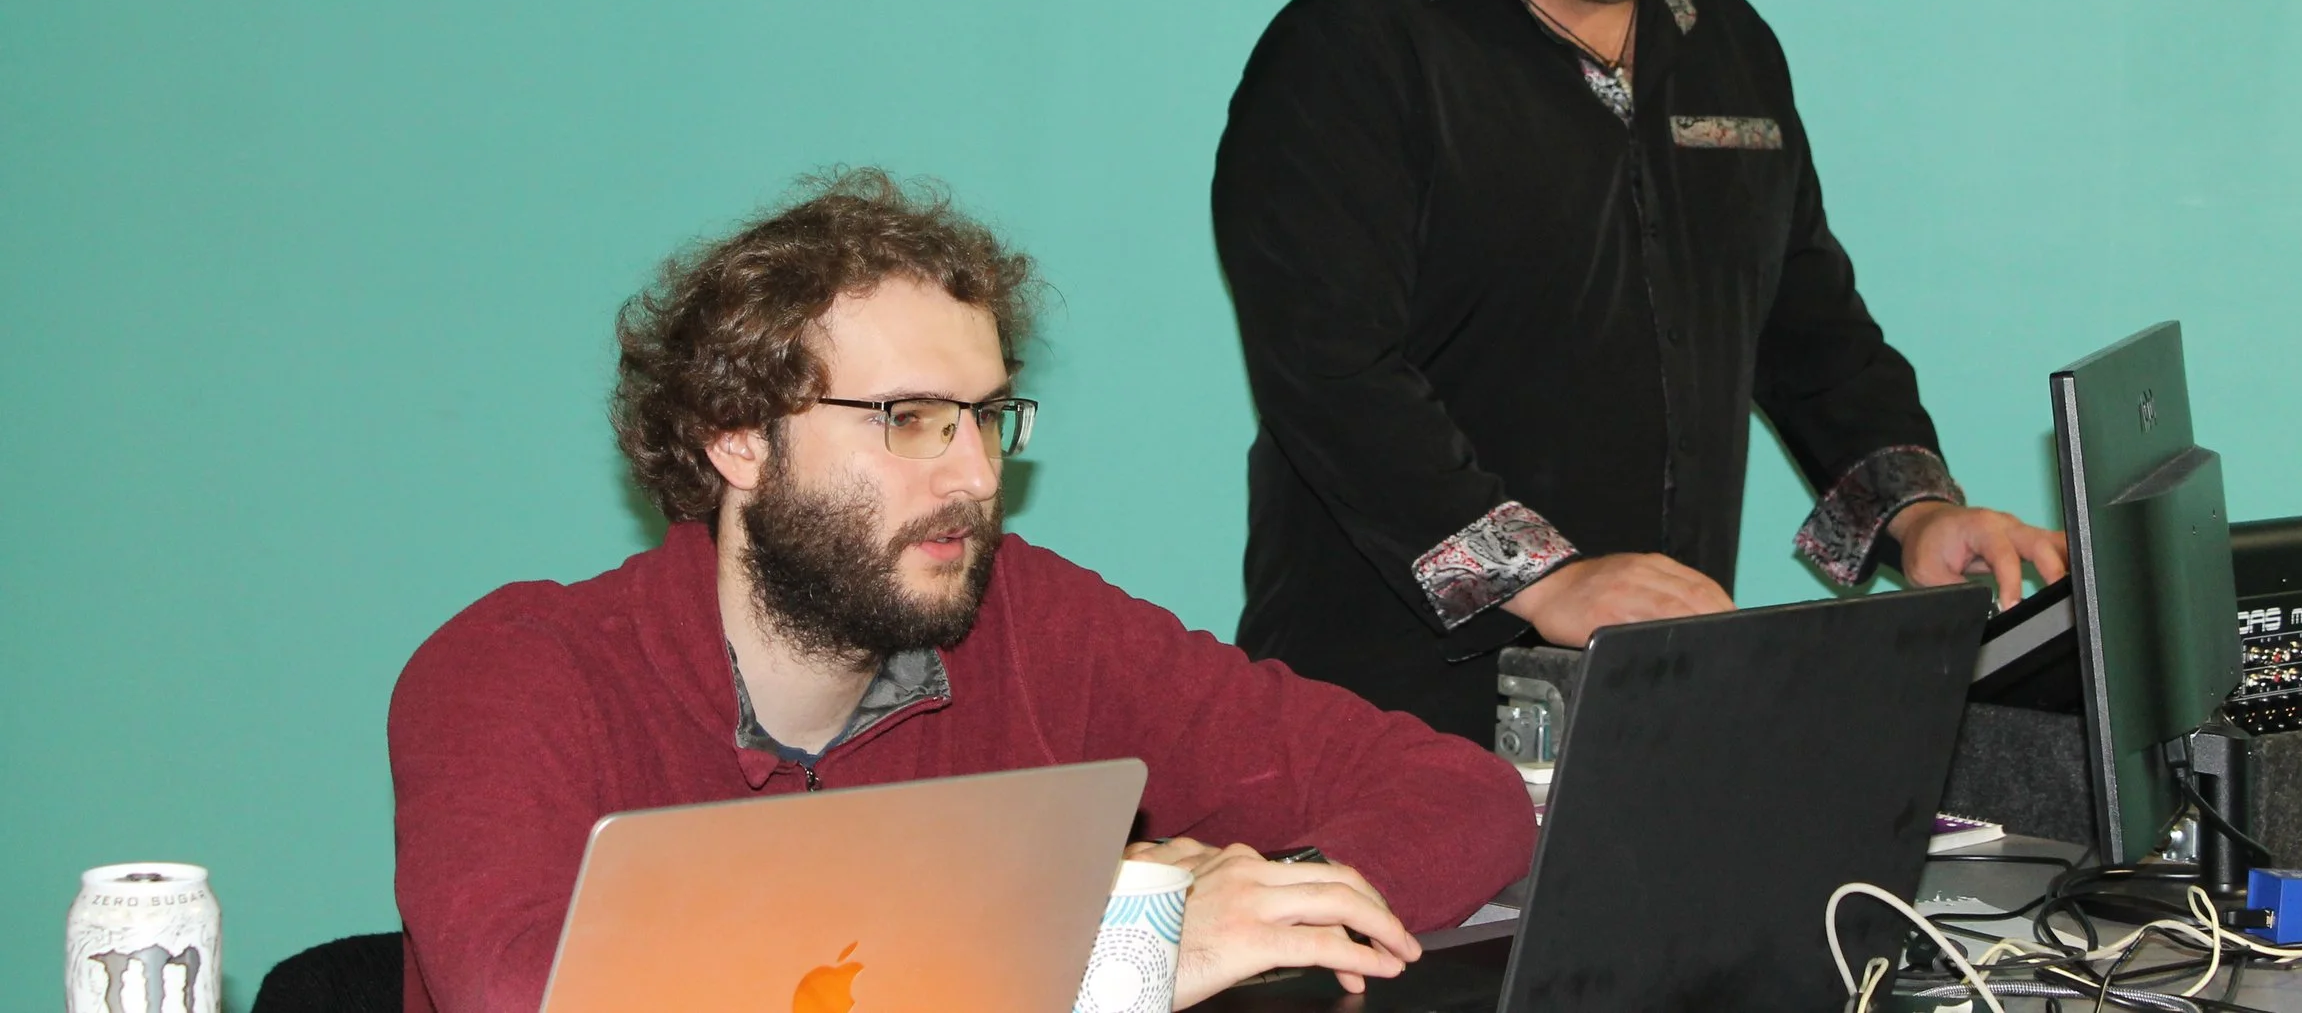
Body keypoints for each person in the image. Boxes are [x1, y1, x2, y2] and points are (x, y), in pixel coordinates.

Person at [389, 170, 1534, 1013]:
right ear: (735, 436)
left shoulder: (1028, 621)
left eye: (987, 415)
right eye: (911, 419)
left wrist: (1253, 889)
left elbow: (1462, 798)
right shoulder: (517, 667)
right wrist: (1111, 951)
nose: (977, 474)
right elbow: (531, 994)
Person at [1214, 0, 2069, 742]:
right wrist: (1545, 578)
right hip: (1381, 710)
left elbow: (1804, 320)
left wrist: (1917, 510)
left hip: (1648, 696)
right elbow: (1333, 379)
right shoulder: (1352, 53)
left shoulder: (1727, 50)